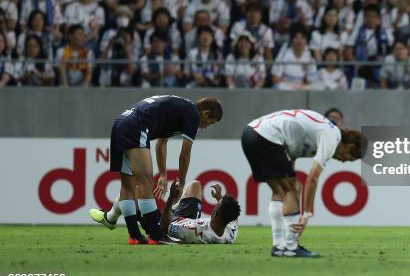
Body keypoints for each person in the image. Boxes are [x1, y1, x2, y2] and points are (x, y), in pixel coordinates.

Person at [91, 95, 223, 245]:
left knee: (127, 187)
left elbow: (161, 143)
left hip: (121, 123)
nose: (205, 127)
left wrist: (163, 175)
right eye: (209, 123)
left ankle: (135, 235)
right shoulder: (193, 114)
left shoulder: (181, 110)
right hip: (136, 126)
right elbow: (185, 153)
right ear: (205, 113)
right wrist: (182, 182)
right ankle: (156, 235)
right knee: (145, 182)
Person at [241, 109, 364, 257]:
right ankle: (291, 247)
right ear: (349, 147)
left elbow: (290, 155)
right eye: (349, 158)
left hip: (250, 134)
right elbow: (312, 178)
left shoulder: (324, 130)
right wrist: (306, 214)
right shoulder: (333, 137)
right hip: (267, 137)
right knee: (292, 189)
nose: (343, 161)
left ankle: (279, 246)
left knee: (280, 192)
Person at [161, 181, 240, 244]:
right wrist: (219, 198)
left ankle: (174, 207)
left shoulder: (193, 231)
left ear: (215, 213)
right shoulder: (231, 232)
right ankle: (177, 205)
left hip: (178, 221)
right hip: (193, 221)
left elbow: (164, 226)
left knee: (157, 219)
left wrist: (171, 197)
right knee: (195, 185)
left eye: (216, 205)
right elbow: (234, 218)